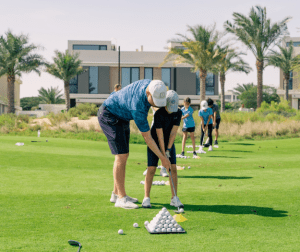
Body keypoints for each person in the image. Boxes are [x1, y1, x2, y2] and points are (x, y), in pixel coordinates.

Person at [98, 79, 170, 209]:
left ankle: (116, 194)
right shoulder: (138, 107)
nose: (155, 104)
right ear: (148, 93)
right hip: (109, 115)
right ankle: (121, 198)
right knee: (121, 156)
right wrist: (162, 158)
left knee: (124, 155)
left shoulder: (154, 84)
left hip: (122, 116)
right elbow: (148, 138)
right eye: (154, 100)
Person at [142, 90, 184, 209]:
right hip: (155, 142)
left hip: (169, 143)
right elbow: (159, 136)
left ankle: (174, 198)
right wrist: (163, 156)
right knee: (151, 169)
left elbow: (173, 133)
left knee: (173, 168)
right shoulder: (159, 114)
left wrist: (168, 150)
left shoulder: (178, 113)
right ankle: (146, 198)